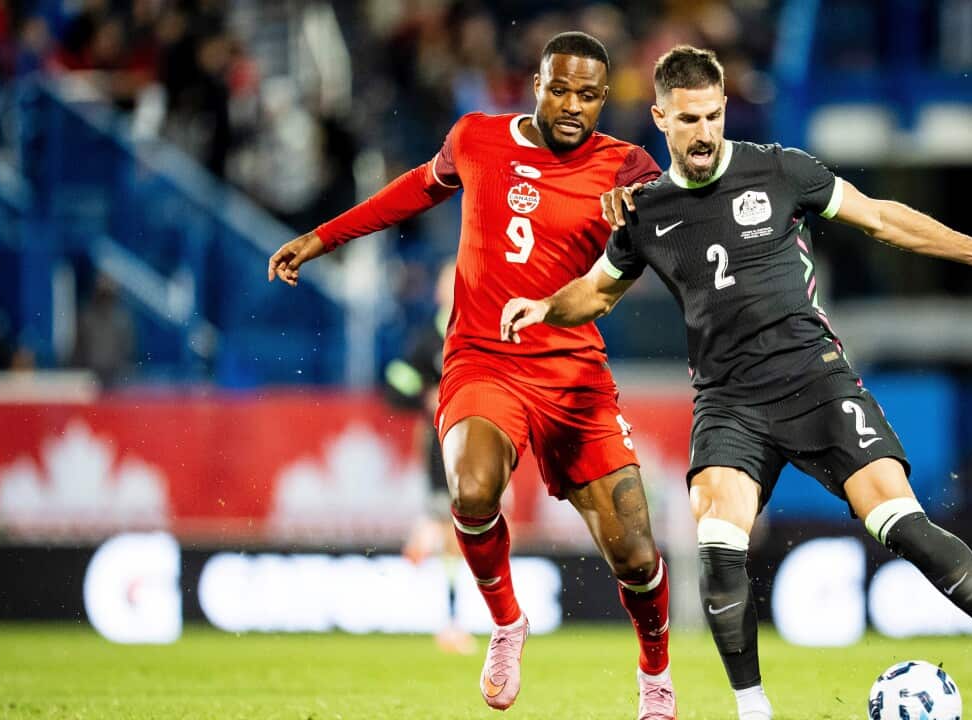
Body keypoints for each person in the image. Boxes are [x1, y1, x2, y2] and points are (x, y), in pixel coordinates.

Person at [501, 45, 972, 719]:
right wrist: (546, 306)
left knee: (899, 522)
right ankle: (754, 711)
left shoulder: (780, 169)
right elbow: (598, 294)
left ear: (725, 110)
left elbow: (881, 217)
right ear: (660, 117)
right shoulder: (646, 212)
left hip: (814, 380)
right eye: (689, 119)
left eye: (713, 115)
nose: (704, 132)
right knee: (717, 541)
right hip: (728, 401)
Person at [267, 32, 676, 719]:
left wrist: (653, 225)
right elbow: (411, 193)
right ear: (535, 83)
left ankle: (656, 679)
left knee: (636, 556)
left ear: (605, 98)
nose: (572, 105)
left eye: (588, 94)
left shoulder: (626, 166)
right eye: (559, 88)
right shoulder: (478, 138)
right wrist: (322, 236)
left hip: (574, 374)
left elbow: (686, 226)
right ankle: (507, 624)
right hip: (483, 360)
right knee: (473, 487)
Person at [385, 261, 475, 655]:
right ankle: (452, 621)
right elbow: (394, 378)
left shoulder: (479, 332)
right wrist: (425, 393)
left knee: (460, 527)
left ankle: (424, 535)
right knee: (457, 527)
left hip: (477, 445)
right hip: (442, 447)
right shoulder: (426, 340)